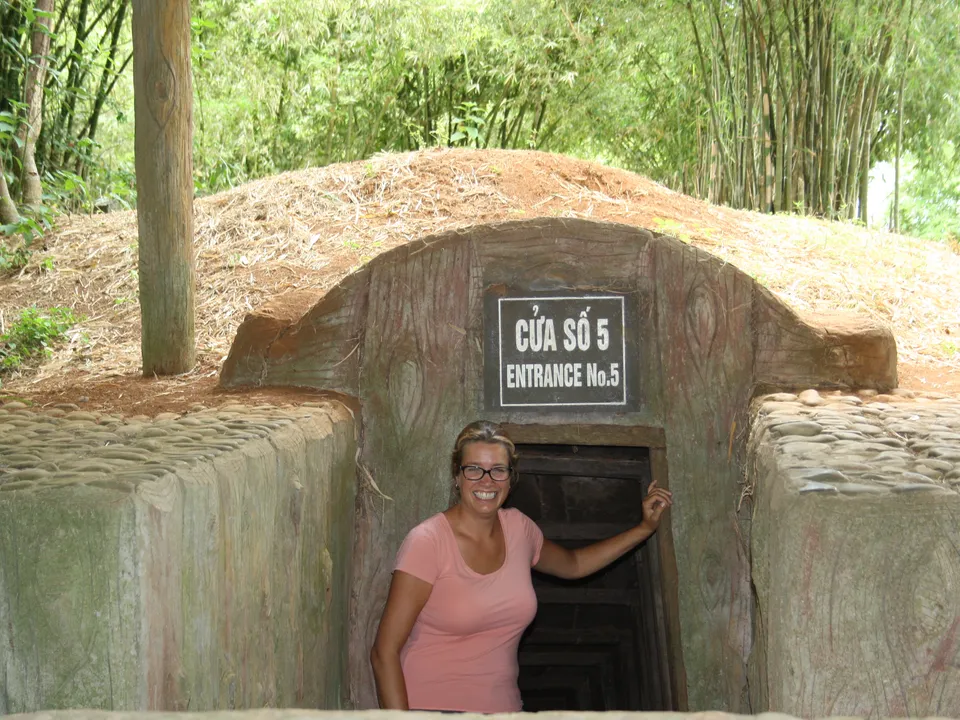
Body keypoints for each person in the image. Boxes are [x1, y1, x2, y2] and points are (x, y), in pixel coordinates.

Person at [370, 420, 673, 713]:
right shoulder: (427, 542)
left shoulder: (519, 529)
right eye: (474, 469)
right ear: (457, 476)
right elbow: (384, 652)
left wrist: (644, 529)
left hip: (505, 708)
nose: (486, 481)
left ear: (510, 477)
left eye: (498, 470)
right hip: (433, 707)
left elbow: (574, 564)